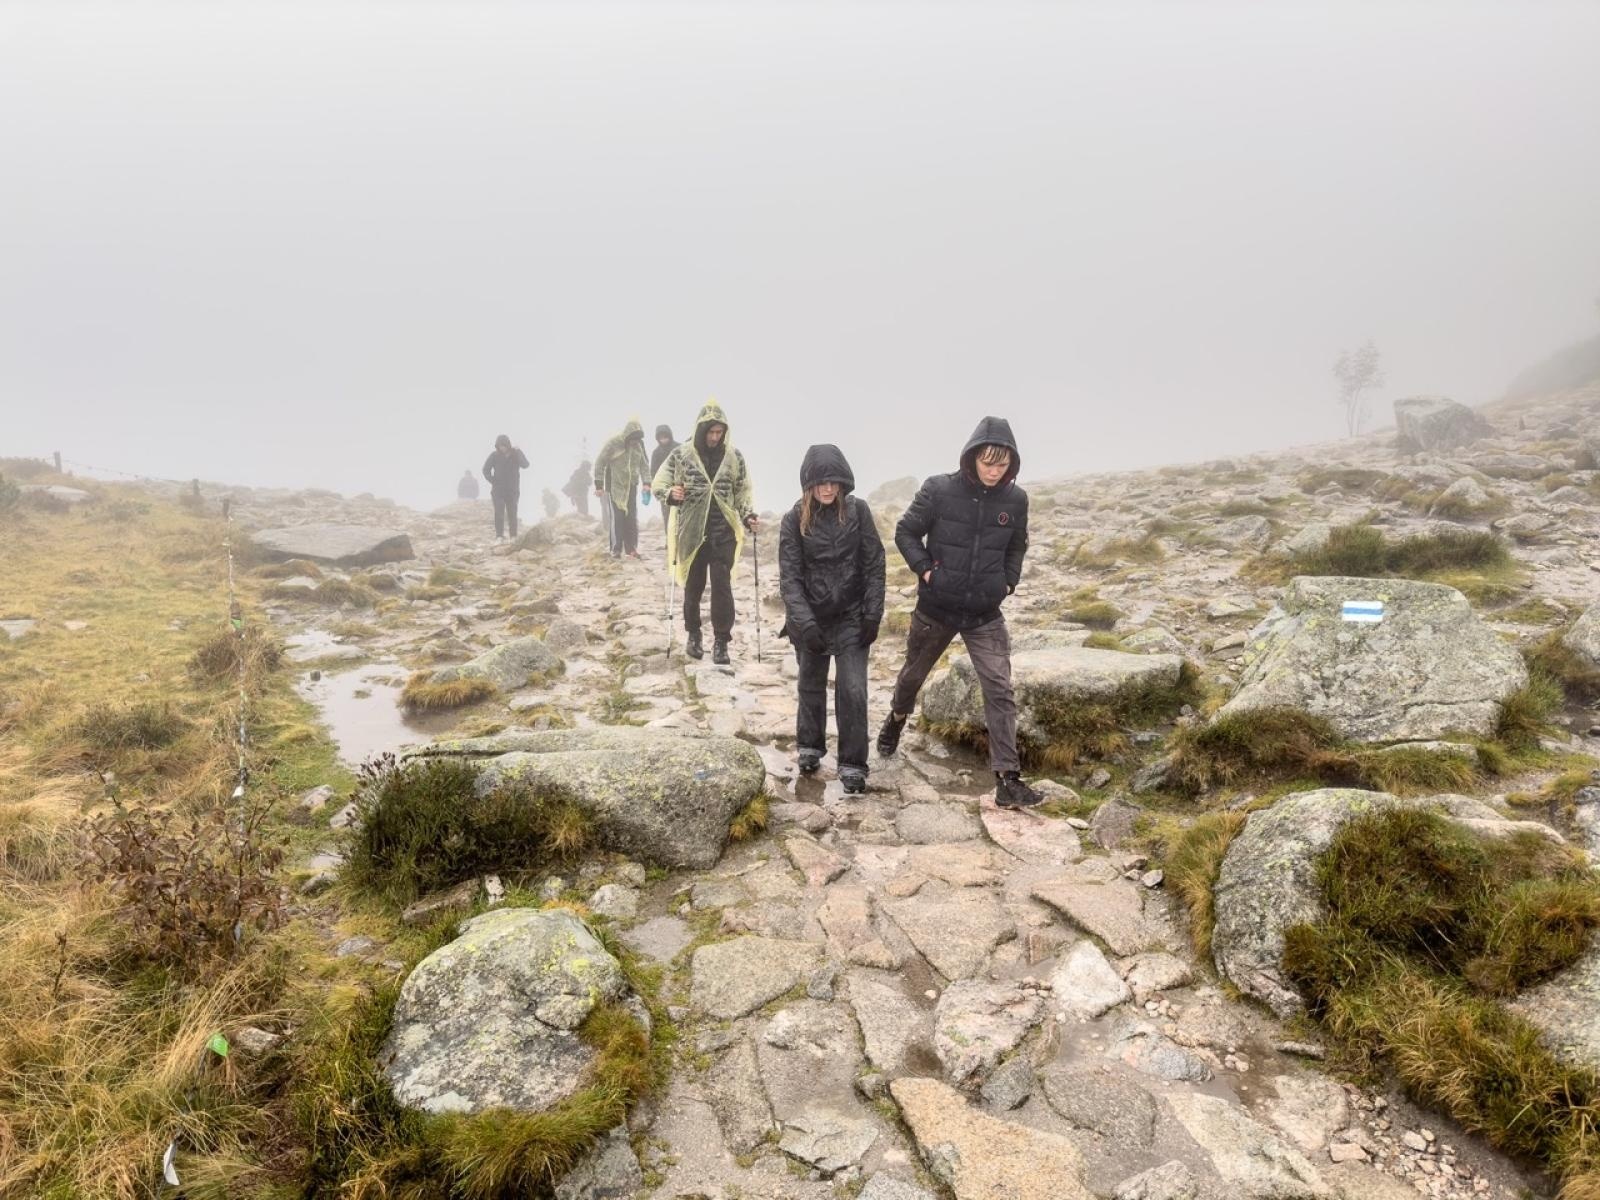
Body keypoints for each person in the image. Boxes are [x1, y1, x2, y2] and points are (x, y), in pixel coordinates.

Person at [876, 417, 1042, 809]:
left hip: (985, 612)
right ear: (972, 456)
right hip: (937, 607)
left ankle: (1007, 778)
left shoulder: (1015, 501)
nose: (993, 470)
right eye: (987, 462)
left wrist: (1008, 582)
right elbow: (905, 532)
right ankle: (897, 718)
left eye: (1001, 465)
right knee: (912, 677)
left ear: (1011, 464)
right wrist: (929, 571)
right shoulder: (939, 489)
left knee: (1000, 689)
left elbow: (1017, 546)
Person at [779, 444, 885, 795]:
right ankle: (810, 747)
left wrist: (873, 614)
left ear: (844, 482)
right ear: (809, 485)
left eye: (834, 481)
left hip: (852, 617)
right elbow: (790, 578)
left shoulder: (860, 512)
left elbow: (874, 564)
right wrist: (805, 623)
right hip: (810, 618)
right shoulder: (793, 520)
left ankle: (853, 764)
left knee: (853, 689)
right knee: (810, 684)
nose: (827, 488)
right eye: (821, 482)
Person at [651, 400, 757, 665]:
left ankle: (722, 642)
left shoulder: (734, 456)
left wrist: (748, 515)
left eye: (719, 432)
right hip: (691, 530)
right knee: (694, 585)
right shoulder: (682, 454)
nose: (714, 437)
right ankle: (694, 634)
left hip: (723, 530)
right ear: (701, 430)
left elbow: (742, 490)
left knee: (722, 587)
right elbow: (660, 484)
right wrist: (670, 494)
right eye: (710, 432)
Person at [594, 419, 651, 558]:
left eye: (638, 439)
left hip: (631, 486)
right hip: (615, 487)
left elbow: (644, 465)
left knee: (631, 517)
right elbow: (600, 462)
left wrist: (647, 483)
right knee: (617, 518)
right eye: (633, 439)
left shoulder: (638, 446)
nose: (635, 442)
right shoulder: (614, 444)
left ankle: (631, 548)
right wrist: (599, 485)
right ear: (627, 436)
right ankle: (616, 549)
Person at [481, 434, 529, 539]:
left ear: (508, 444)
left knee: (512, 513)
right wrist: (493, 480)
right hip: (498, 490)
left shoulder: (515, 454)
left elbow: (525, 465)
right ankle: (499, 536)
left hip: (513, 490)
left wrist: (519, 451)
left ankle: (513, 536)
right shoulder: (494, 456)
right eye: (499, 446)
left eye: (503, 445)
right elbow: (485, 470)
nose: (502, 448)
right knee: (499, 512)